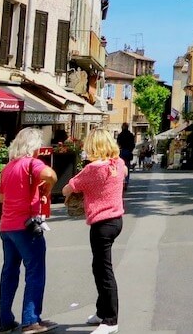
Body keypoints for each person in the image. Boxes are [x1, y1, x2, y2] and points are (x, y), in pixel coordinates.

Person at [63, 128, 126, 334]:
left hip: (101, 223)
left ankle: (110, 320)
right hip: (116, 220)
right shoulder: (119, 164)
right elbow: (121, 175)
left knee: (103, 270)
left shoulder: (92, 169)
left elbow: (68, 189)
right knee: (99, 267)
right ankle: (101, 311)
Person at [0, 127, 59, 334]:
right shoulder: (32, 163)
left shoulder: (8, 168)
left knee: (9, 273)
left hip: (7, 226)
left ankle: (5, 320)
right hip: (26, 226)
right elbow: (49, 174)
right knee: (35, 272)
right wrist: (47, 187)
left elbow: (1, 198)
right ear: (34, 147)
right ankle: (31, 320)